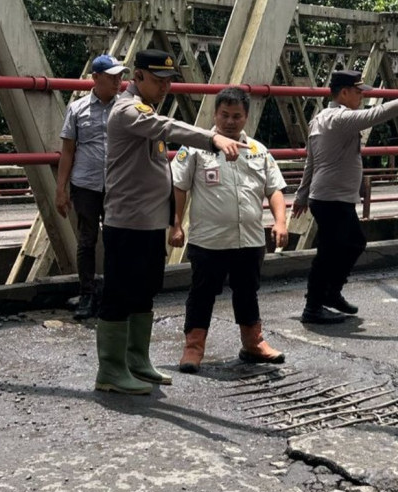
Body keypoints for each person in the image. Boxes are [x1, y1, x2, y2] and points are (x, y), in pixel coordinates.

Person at [95, 49, 248, 395]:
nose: (165, 87)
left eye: (169, 81)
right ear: (138, 78)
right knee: (119, 292)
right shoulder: (127, 110)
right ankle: (110, 369)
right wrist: (212, 138)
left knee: (145, 290)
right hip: (127, 221)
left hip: (149, 222)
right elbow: (166, 127)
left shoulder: (147, 109)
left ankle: (136, 360)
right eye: (158, 80)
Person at [292, 68, 398, 324]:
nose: (362, 97)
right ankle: (315, 306)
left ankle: (329, 295)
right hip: (332, 199)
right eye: (358, 92)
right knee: (336, 249)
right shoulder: (341, 118)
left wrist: (302, 196)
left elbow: (310, 163)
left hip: (328, 197)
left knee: (343, 246)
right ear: (344, 93)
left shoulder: (320, 119)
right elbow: (379, 113)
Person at [169, 87, 288, 373]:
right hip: (209, 240)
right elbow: (178, 187)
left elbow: (274, 190)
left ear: (246, 117)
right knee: (202, 293)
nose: (230, 121)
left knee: (247, 291)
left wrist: (281, 222)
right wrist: (175, 224)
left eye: (237, 116)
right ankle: (193, 348)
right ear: (215, 114)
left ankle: (253, 343)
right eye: (225, 115)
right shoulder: (195, 148)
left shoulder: (259, 151)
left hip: (249, 238)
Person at [55, 55, 129, 320]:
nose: (118, 82)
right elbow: (67, 151)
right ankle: (87, 294)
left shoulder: (128, 107)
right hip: (85, 183)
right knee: (87, 240)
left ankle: (113, 294)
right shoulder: (77, 109)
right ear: (96, 79)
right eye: (112, 78)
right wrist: (60, 189)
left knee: (117, 240)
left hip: (118, 185)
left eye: (120, 77)